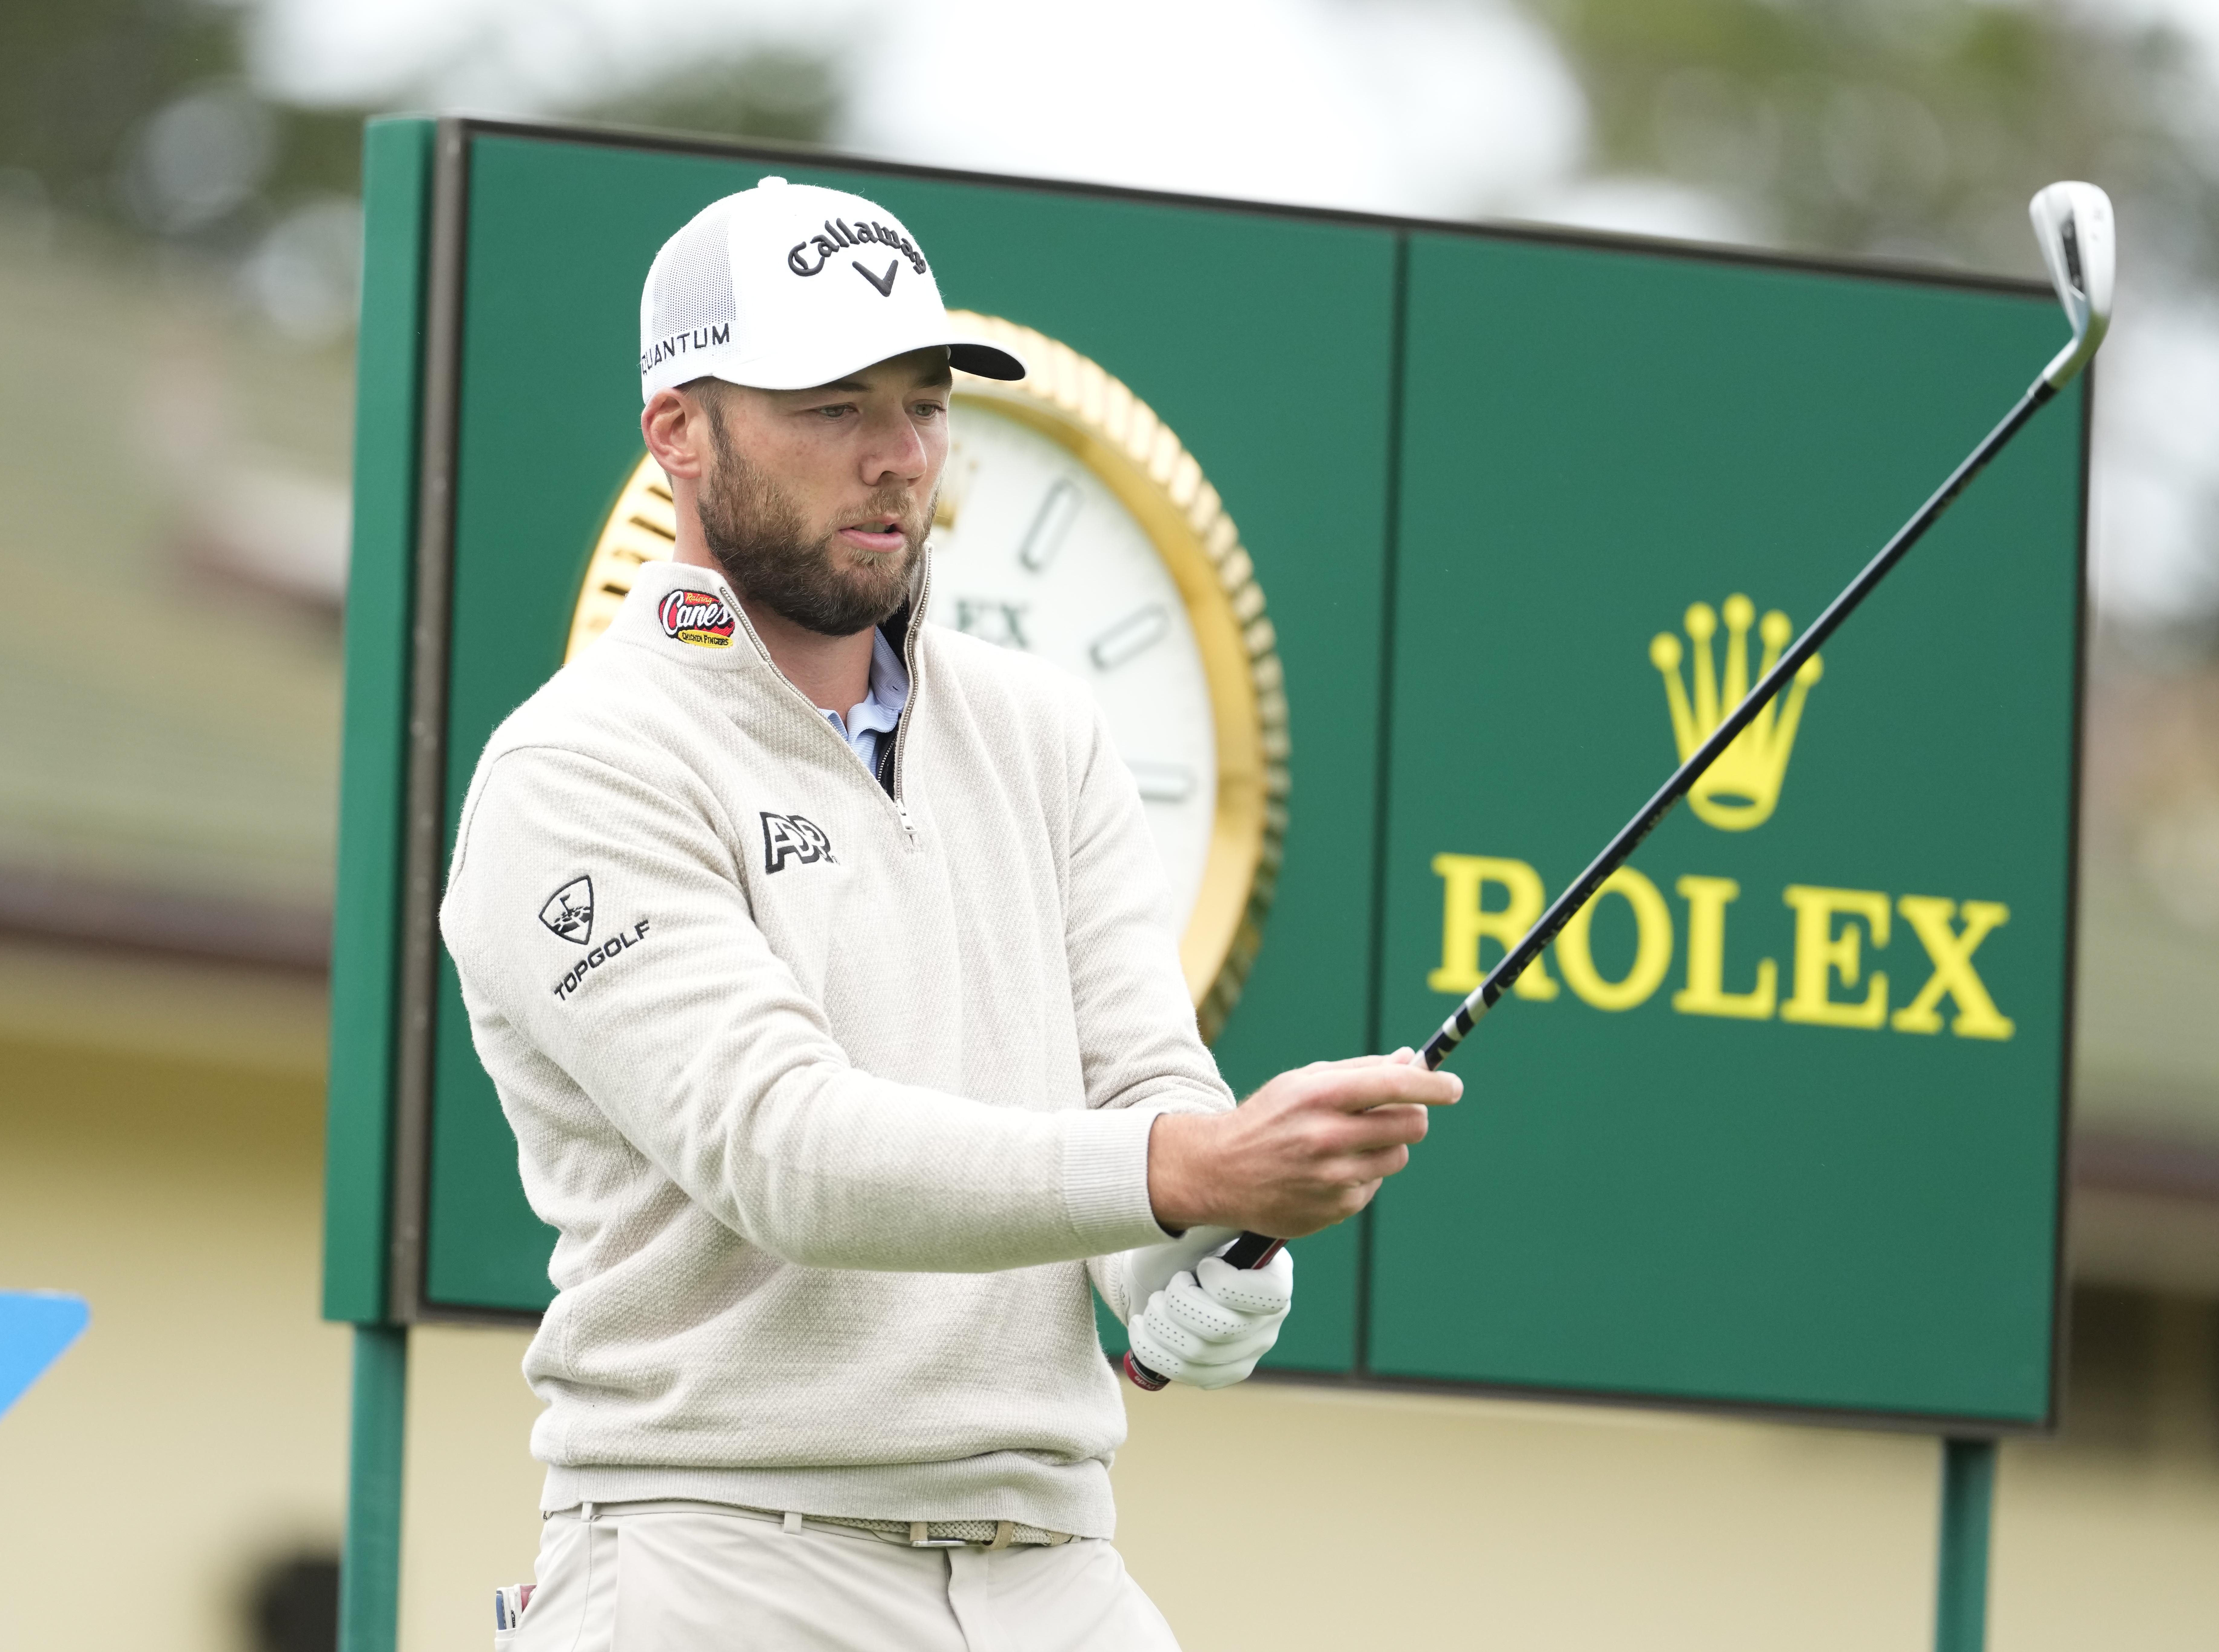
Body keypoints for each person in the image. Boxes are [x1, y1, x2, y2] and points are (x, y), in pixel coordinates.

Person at [441, 175, 1459, 1652]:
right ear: (679, 431)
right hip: (715, 1551)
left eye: (920, 404)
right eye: (832, 407)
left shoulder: (1049, 733)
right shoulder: (576, 766)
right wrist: (1189, 1167)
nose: (897, 458)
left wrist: (1217, 1247)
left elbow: (1143, 1092)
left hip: (1054, 1555)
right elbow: (787, 1152)